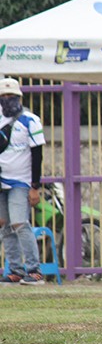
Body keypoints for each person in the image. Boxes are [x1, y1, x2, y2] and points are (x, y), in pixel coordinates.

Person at [0, 78, 47, 285]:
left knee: (20, 223)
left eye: (12, 97)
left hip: (21, 181)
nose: (8, 101)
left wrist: (35, 186)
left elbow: (38, 155)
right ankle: (15, 270)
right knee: (4, 225)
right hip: (1, 181)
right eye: (3, 97)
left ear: (20, 98)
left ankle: (34, 270)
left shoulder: (30, 120)